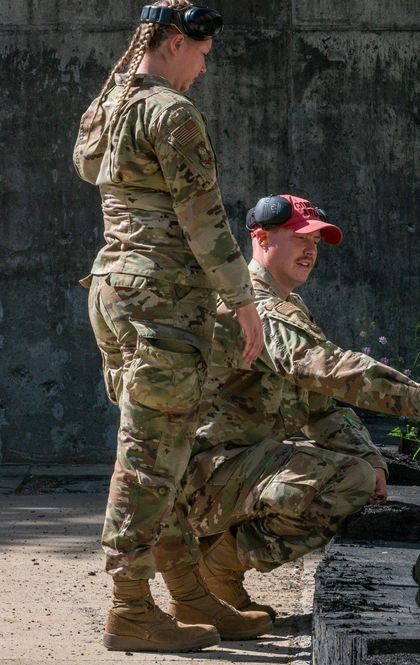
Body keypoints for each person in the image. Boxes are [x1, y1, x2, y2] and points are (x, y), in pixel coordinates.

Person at [183, 194, 420, 618]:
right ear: (262, 238)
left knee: (357, 472)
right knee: (345, 482)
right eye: (301, 239)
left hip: (234, 466)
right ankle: (214, 567)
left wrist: (369, 456)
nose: (311, 251)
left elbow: (320, 407)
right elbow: (328, 369)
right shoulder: (257, 308)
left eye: (317, 243)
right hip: (208, 473)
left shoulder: (286, 304)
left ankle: (217, 576)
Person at [72, 1, 272, 653]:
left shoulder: (109, 106)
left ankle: (187, 592)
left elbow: (83, 162)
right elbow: (204, 218)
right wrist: (244, 302)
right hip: (161, 296)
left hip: (114, 291)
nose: (204, 71)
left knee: (167, 452)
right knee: (147, 456)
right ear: (177, 42)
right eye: (202, 56)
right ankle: (130, 607)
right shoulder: (172, 113)